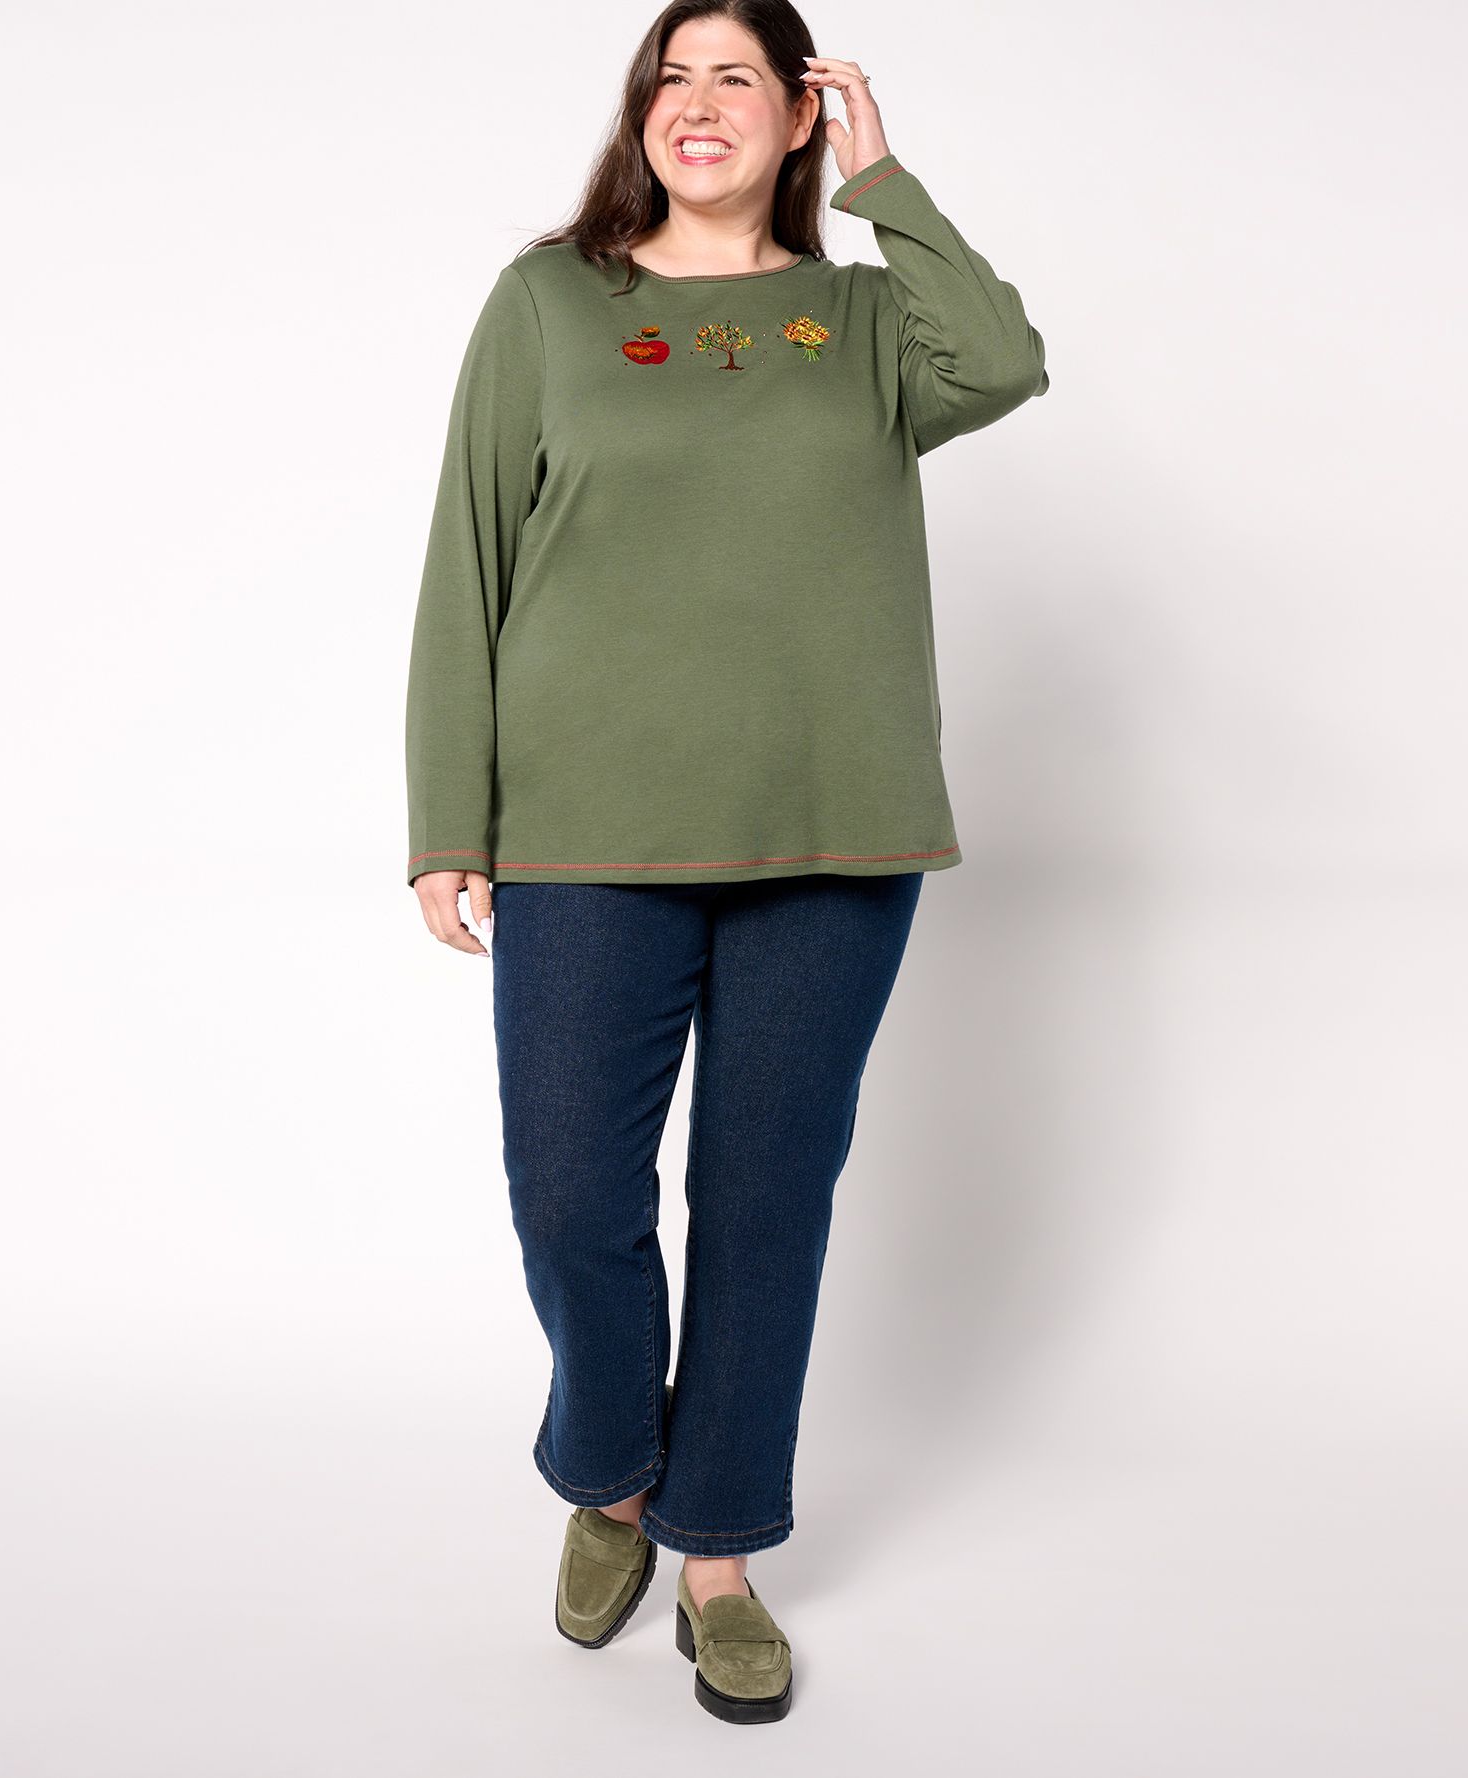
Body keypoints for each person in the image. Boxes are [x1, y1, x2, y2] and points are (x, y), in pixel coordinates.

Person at [404, 0, 1047, 1725]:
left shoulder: (865, 320)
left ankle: (719, 1548)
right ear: (642, 115)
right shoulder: (550, 302)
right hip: (583, 829)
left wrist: (890, 184)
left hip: (834, 829)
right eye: (671, 77)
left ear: (800, 115)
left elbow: (1003, 364)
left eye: (739, 78)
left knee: (766, 1203)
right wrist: (448, 818)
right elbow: (467, 554)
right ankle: (611, 1469)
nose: (698, 103)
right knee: (569, 1191)